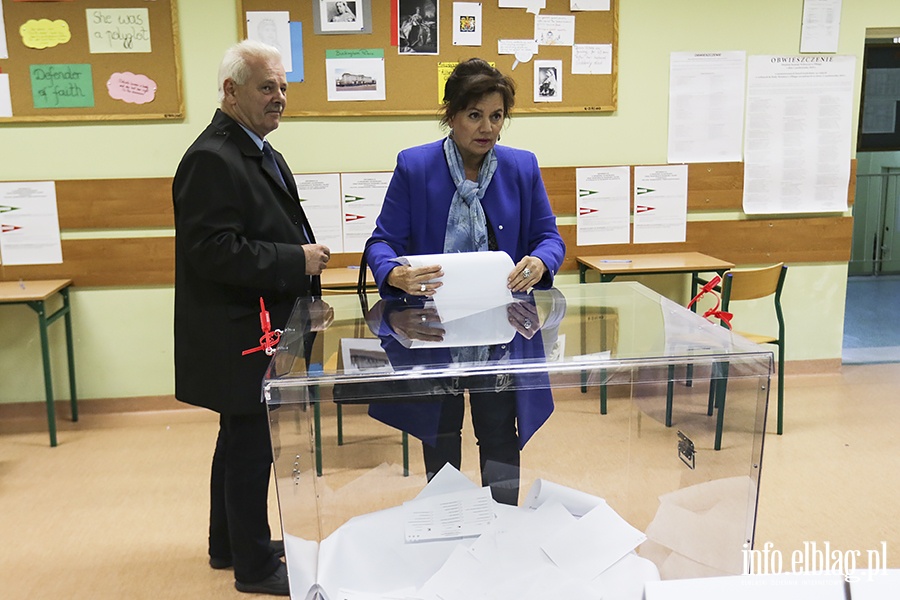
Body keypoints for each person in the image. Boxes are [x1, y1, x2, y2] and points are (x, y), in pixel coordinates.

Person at [364, 58, 566, 505]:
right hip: (435, 331)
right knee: (440, 434)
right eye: (474, 115)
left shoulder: (521, 167)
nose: (486, 128)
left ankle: (504, 527)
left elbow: (549, 238)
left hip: (502, 331)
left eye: (496, 116)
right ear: (451, 115)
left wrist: (539, 261)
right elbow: (381, 243)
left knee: (498, 434)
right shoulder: (416, 167)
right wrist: (395, 272)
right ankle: (448, 522)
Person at [172, 40, 330, 597]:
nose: (280, 98)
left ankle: (228, 544)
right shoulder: (211, 158)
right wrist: (297, 260)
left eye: (284, 87)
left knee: (237, 439)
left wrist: (307, 292)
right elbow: (213, 250)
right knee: (249, 446)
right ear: (231, 91)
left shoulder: (258, 149)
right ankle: (254, 567)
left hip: (265, 319)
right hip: (239, 329)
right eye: (268, 87)